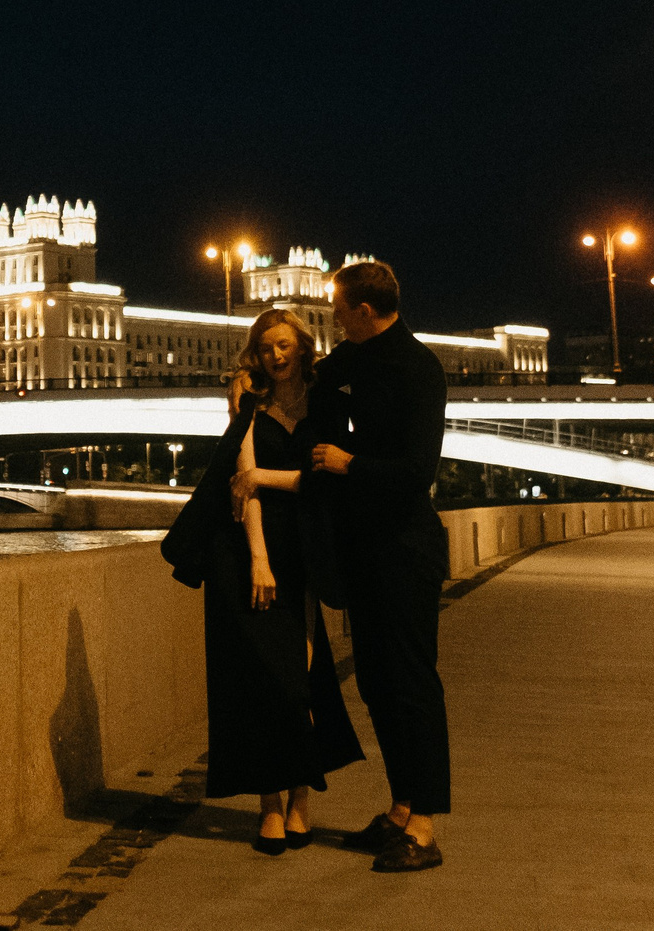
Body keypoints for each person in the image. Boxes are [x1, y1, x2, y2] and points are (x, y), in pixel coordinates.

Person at [159, 308, 363, 854]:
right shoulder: (249, 406)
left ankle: (302, 801)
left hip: (308, 549)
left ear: (302, 346)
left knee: (303, 680)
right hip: (251, 553)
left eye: (284, 345)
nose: (276, 356)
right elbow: (240, 486)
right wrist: (259, 559)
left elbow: (324, 482)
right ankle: (270, 806)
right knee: (265, 681)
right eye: (266, 347)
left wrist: (264, 477)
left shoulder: (326, 406)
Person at [300, 258, 449, 874]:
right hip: (364, 552)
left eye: (338, 310)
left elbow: (419, 472)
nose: (333, 319)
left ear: (365, 310)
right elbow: (301, 379)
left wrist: (348, 463)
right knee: (377, 685)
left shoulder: (419, 368)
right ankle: (400, 806)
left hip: (406, 551)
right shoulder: (348, 364)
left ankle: (426, 824)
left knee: (413, 684)